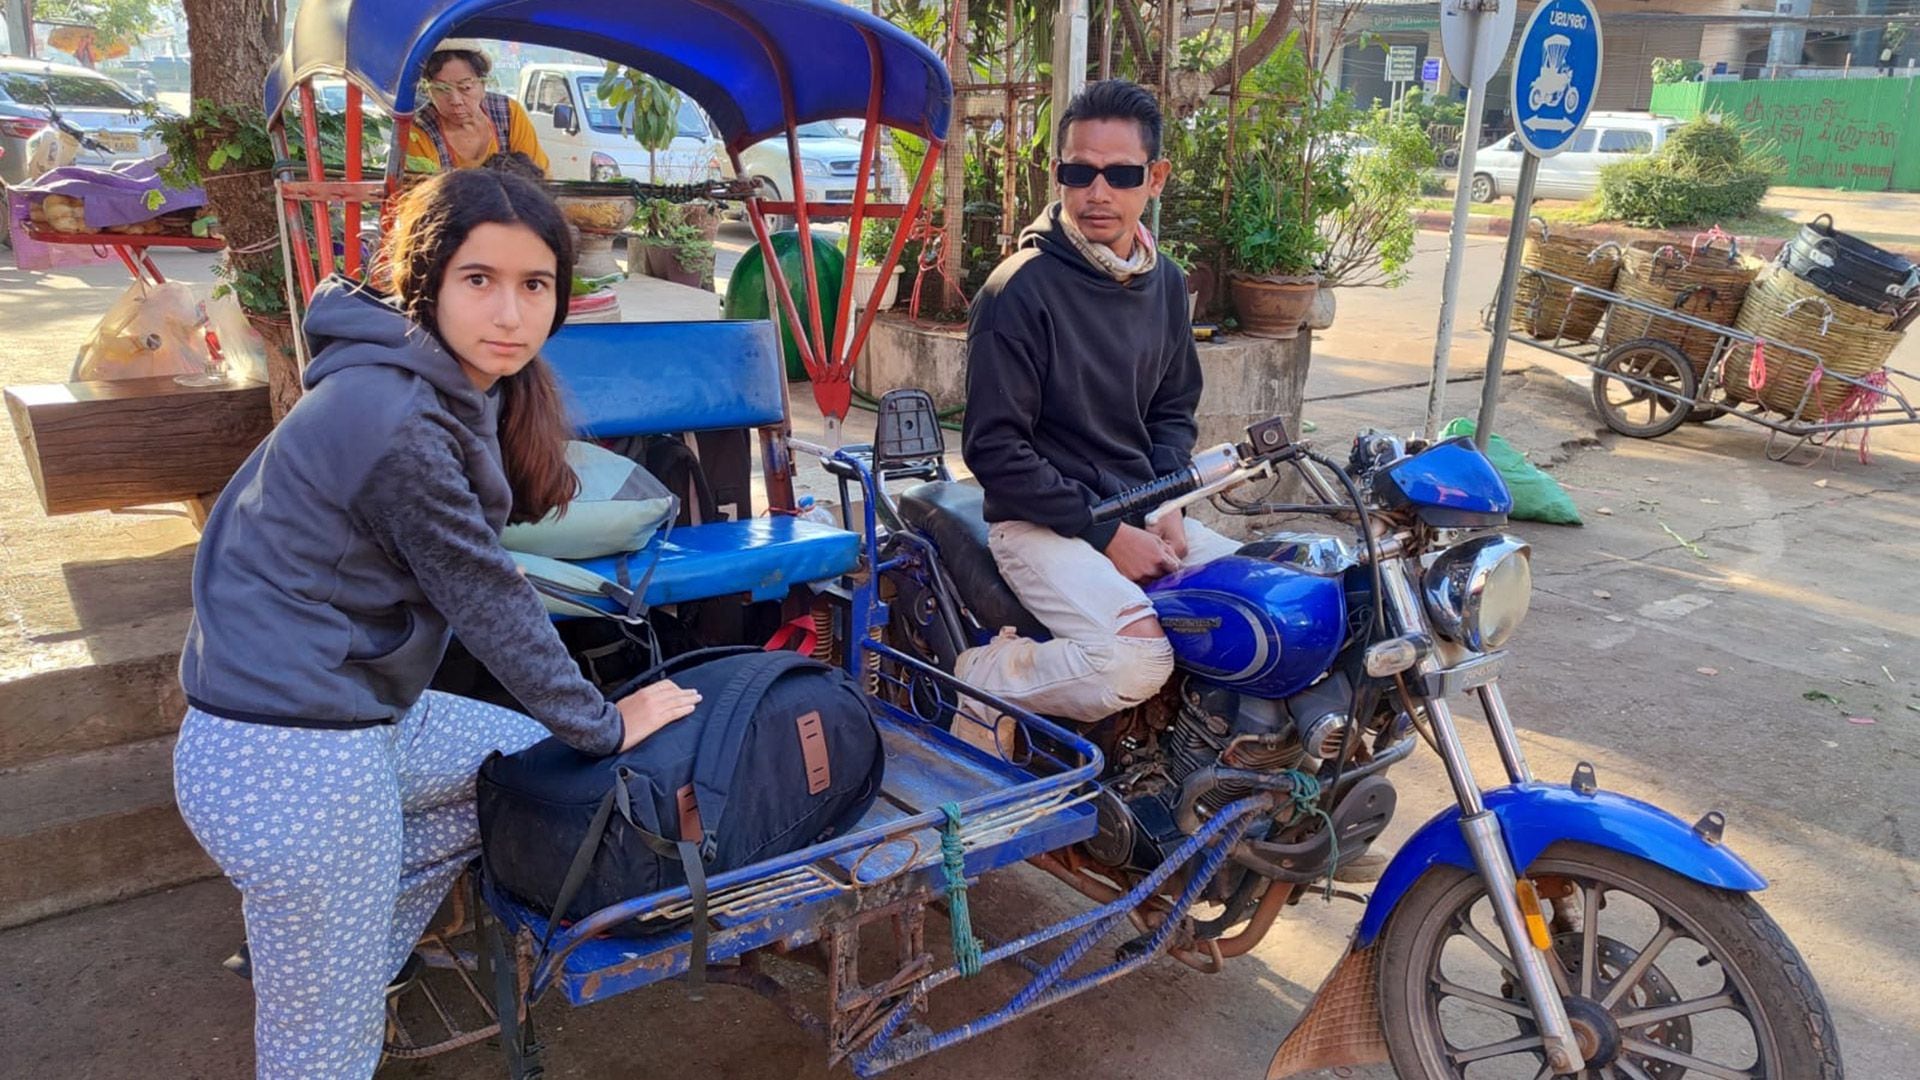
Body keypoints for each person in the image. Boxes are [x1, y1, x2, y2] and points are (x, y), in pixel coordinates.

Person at [172, 169, 698, 1080]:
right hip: (288, 756)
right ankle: (331, 975)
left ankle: (350, 945)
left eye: (535, 285)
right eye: (478, 280)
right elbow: (486, 595)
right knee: (320, 1055)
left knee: (514, 768)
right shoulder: (395, 415)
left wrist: (575, 731)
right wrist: (607, 721)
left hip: (347, 721)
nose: (510, 313)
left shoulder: (444, 383)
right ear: (428, 282)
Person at [954, 79, 1241, 727]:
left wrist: (1167, 501)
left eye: (1121, 174)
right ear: (1058, 173)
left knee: (1266, 607)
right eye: (1080, 172)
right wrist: (1105, 532)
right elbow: (996, 452)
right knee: (1133, 662)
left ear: (1156, 177)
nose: (1098, 192)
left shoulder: (1164, 281)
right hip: (1037, 523)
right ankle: (982, 680)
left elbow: (1173, 409)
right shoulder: (1017, 291)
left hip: (1139, 511)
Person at [406, 39, 550, 174]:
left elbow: (538, 176)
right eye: (442, 89)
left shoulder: (509, 113)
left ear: (483, 84)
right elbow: (423, 195)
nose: (456, 100)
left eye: (466, 87)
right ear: (428, 90)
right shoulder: (418, 131)